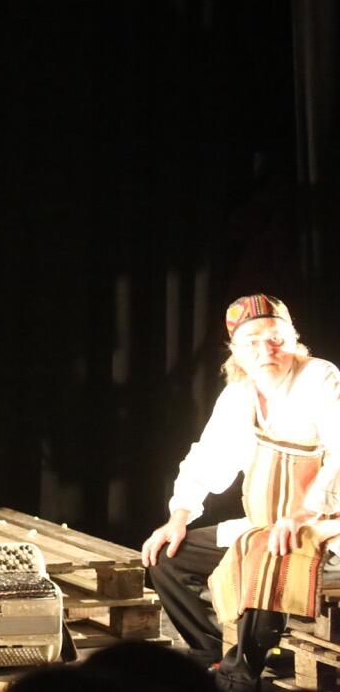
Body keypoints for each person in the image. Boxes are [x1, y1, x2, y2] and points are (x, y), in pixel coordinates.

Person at [142, 294, 340, 692]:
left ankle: (239, 677)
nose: (267, 350)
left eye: (276, 339)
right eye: (252, 342)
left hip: (325, 524)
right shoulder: (239, 394)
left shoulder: (319, 378)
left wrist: (304, 514)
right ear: (236, 350)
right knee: (166, 557)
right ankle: (212, 650)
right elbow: (209, 456)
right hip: (265, 525)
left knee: (269, 555)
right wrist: (179, 516)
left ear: (293, 340)